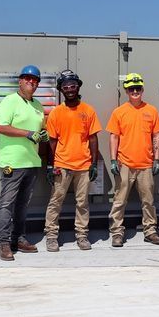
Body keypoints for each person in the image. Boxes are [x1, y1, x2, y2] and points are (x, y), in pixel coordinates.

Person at [43, 70, 102, 252]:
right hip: (62, 165)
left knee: (82, 203)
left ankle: (82, 235)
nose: (69, 89)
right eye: (66, 87)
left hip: (84, 166)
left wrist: (93, 164)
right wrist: (50, 165)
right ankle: (51, 236)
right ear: (61, 89)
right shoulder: (56, 113)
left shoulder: (88, 110)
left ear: (78, 87)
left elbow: (93, 138)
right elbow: (52, 142)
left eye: (73, 86)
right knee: (55, 201)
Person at [0, 64, 49, 261]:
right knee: (7, 203)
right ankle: (3, 243)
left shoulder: (38, 106)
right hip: (12, 162)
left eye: (35, 80)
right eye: (28, 79)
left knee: (23, 205)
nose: (31, 82)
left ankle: (18, 238)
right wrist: (27, 133)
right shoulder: (10, 101)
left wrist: (43, 135)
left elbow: (40, 130)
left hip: (31, 162)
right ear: (20, 81)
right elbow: (0, 127)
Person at [106, 73, 159, 247]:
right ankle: (117, 233)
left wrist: (156, 160)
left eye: (138, 88)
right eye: (131, 89)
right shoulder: (119, 112)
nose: (135, 91)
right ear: (126, 91)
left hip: (146, 165)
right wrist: (113, 160)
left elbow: (156, 136)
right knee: (119, 201)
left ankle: (150, 231)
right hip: (124, 164)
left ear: (142, 89)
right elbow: (114, 137)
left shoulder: (151, 111)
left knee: (148, 201)